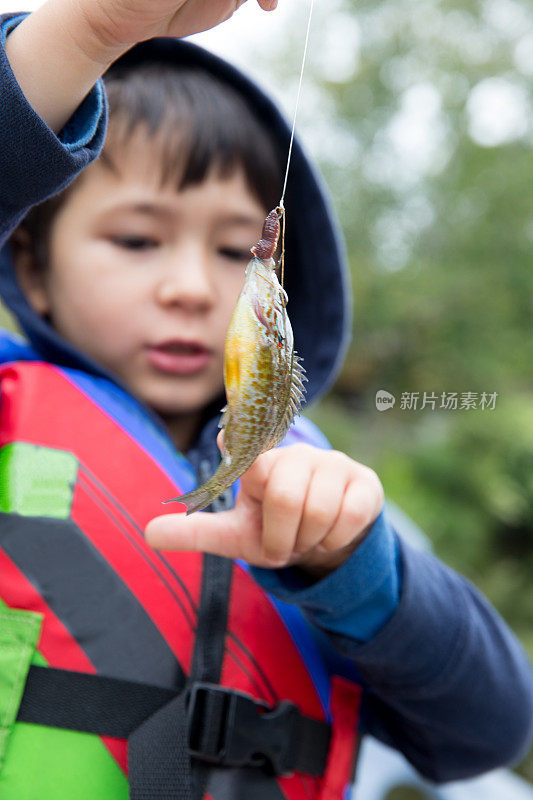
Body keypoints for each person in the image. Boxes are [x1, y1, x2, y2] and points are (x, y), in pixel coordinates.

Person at [0, 2, 531, 799]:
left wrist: (353, 569)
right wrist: (87, 33)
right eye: (138, 240)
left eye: (230, 249)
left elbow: (489, 728)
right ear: (32, 267)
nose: (187, 289)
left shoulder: (333, 503)